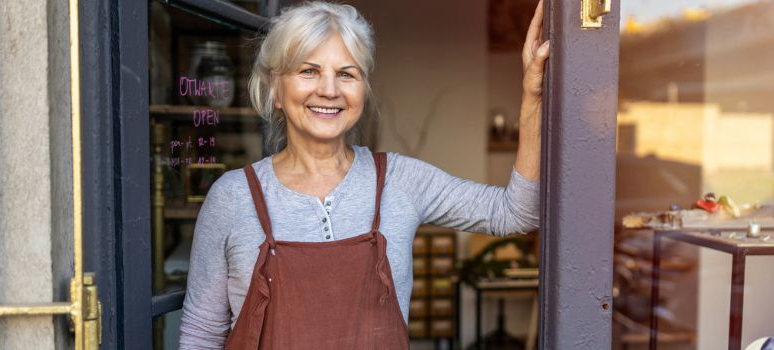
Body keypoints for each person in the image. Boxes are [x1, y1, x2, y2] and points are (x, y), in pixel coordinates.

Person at [179, 1, 549, 348]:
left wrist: (532, 98)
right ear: (276, 88)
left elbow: (516, 213)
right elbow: (201, 334)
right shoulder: (233, 197)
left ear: (362, 89)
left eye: (346, 74)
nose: (329, 89)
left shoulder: (399, 181)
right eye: (308, 71)